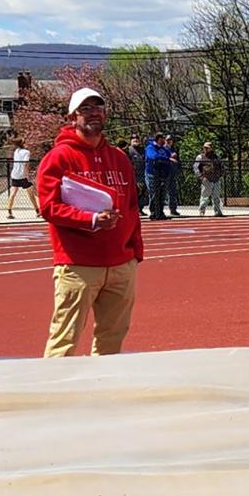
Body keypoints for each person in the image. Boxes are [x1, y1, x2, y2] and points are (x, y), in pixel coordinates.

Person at [36, 87, 143, 357]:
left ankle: (102, 393)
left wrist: (134, 252)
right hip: (78, 264)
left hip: (121, 265)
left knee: (112, 340)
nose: (93, 113)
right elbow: (49, 207)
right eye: (85, 109)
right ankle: (55, 395)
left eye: (98, 108)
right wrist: (92, 219)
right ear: (72, 117)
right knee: (65, 340)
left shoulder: (119, 158)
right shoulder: (58, 158)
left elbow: (131, 207)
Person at [6, 135, 39, 218]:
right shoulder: (26, 152)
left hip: (15, 174)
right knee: (31, 194)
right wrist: (27, 176)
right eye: (25, 142)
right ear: (23, 143)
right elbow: (25, 164)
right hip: (22, 175)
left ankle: (9, 212)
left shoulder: (16, 151)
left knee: (13, 193)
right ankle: (37, 211)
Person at [193, 141, 226, 216]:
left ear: (211, 148)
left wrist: (221, 174)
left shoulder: (216, 157)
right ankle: (202, 211)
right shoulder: (200, 157)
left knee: (216, 197)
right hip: (206, 180)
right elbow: (196, 168)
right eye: (205, 148)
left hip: (216, 180)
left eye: (207, 148)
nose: (206, 149)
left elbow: (222, 166)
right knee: (204, 197)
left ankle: (217, 212)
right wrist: (201, 177)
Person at [144, 132, 170, 219]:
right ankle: (154, 212)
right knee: (154, 193)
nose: (164, 140)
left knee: (162, 194)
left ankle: (160, 212)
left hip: (163, 174)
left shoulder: (164, 149)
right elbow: (153, 157)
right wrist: (165, 158)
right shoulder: (150, 147)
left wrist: (167, 157)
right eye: (163, 138)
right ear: (159, 139)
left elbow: (170, 154)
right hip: (152, 174)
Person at [126, 135, 148, 216]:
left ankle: (140, 209)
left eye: (137, 139)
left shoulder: (142, 150)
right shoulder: (128, 150)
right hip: (132, 175)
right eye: (133, 139)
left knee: (142, 193)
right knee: (134, 193)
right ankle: (133, 210)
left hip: (142, 174)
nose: (135, 140)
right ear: (130, 141)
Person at [164, 135, 182, 216]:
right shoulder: (163, 149)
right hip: (165, 174)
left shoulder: (174, 149)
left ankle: (173, 209)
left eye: (170, 140)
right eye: (167, 140)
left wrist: (178, 170)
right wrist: (170, 158)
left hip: (173, 173)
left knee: (173, 192)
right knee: (163, 192)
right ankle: (159, 210)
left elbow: (178, 161)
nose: (169, 141)